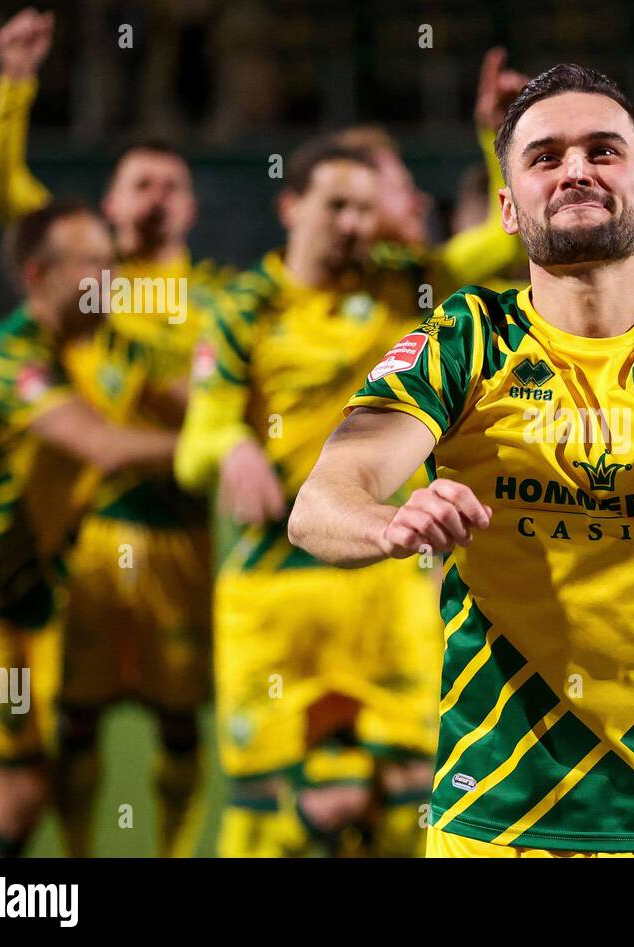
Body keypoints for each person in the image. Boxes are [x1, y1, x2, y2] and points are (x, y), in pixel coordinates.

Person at [287, 63, 634, 858]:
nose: (576, 171)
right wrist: (388, 521)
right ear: (508, 206)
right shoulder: (467, 337)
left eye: (603, 150)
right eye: (545, 156)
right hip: (495, 819)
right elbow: (319, 502)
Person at [0, 7, 228, 856]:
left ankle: (169, 852)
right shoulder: (92, 281)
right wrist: (14, 82)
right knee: (76, 721)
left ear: (193, 204)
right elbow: (7, 192)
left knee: (180, 722)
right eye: (141, 183)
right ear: (113, 200)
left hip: (183, 535)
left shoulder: (219, 300)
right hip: (90, 534)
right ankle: (83, 857)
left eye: (172, 184)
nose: (156, 197)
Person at [174, 138, 443, 857]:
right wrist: (229, 445)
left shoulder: (408, 285)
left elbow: (495, 253)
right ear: (291, 205)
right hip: (274, 588)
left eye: (365, 207)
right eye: (336, 205)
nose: (353, 223)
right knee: (265, 811)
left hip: (386, 577)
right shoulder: (244, 308)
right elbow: (196, 439)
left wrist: (492, 133)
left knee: (410, 796)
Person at [0, 203, 179, 857]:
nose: (112, 277)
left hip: (16, 603)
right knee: (22, 789)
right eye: (94, 263)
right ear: (39, 273)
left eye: (114, 262)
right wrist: (211, 448)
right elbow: (105, 448)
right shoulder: (10, 353)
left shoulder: (70, 355)